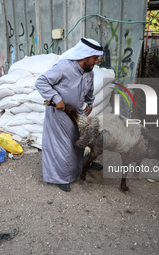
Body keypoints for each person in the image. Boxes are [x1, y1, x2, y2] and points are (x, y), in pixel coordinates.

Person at [35, 38, 104, 192]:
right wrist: (56, 98)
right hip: (59, 113)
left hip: (77, 111)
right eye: (94, 58)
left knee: (78, 141)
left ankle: (81, 166)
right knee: (62, 144)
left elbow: (89, 89)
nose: (96, 62)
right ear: (85, 56)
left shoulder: (89, 72)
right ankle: (60, 177)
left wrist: (90, 103)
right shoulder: (64, 67)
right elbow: (41, 81)